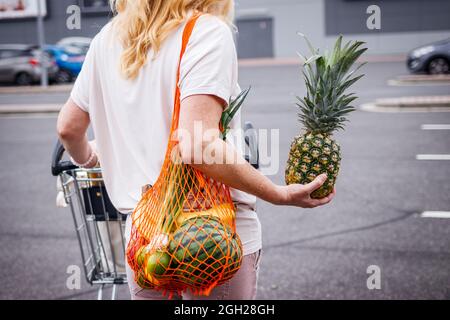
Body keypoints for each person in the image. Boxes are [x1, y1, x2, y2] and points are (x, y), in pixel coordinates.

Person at [56, 0, 335, 300]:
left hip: (146, 238)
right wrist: (276, 194)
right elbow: (198, 145)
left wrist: (89, 158)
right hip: (213, 235)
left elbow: (68, 128)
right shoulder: (205, 32)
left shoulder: (106, 40)